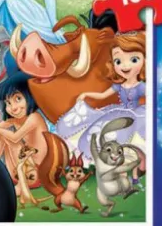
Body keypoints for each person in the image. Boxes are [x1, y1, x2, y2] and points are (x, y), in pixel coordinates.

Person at [57, 31, 147, 162]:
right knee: (95, 123)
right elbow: (103, 95)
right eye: (118, 61)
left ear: (144, 60)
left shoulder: (141, 86)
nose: (125, 66)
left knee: (115, 131)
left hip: (134, 115)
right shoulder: (119, 85)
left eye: (134, 60)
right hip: (117, 111)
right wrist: (86, 94)